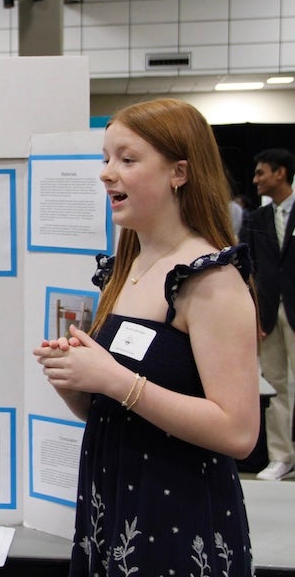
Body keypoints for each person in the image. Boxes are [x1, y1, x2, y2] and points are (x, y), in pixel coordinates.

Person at [34, 98, 259, 576]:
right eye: (106, 159)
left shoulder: (209, 279)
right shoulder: (125, 268)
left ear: (179, 173)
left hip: (175, 518)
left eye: (127, 160)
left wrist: (115, 380)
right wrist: (78, 385)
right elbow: (118, 411)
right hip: (111, 505)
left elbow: (238, 432)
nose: (106, 173)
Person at [238, 147, 295, 481]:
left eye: (261, 173)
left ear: (281, 173)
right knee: (275, 385)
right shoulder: (256, 219)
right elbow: (248, 269)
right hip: (270, 313)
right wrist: (254, 313)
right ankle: (281, 455)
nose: (256, 180)